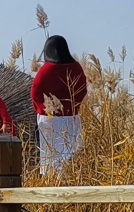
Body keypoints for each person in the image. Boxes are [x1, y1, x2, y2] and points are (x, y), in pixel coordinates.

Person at [30, 34, 89, 174]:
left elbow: (35, 92)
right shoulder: (76, 68)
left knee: (50, 159)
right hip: (72, 118)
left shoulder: (46, 69)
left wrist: (43, 109)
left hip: (50, 120)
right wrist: (73, 107)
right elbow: (82, 90)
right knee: (71, 157)